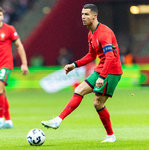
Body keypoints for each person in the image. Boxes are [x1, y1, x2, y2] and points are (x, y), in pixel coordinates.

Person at [41, 4, 123, 143]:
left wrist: (102, 77)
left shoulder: (104, 33)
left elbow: (110, 57)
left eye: (86, 14)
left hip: (111, 71)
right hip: (101, 68)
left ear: (94, 16)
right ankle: (58, 120)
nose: (83, 17)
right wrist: (74, 65)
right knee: (79, 89)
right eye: (82, 14)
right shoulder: (91, 33)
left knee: (98, 103)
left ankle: (110, 136)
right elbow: (91, 55)